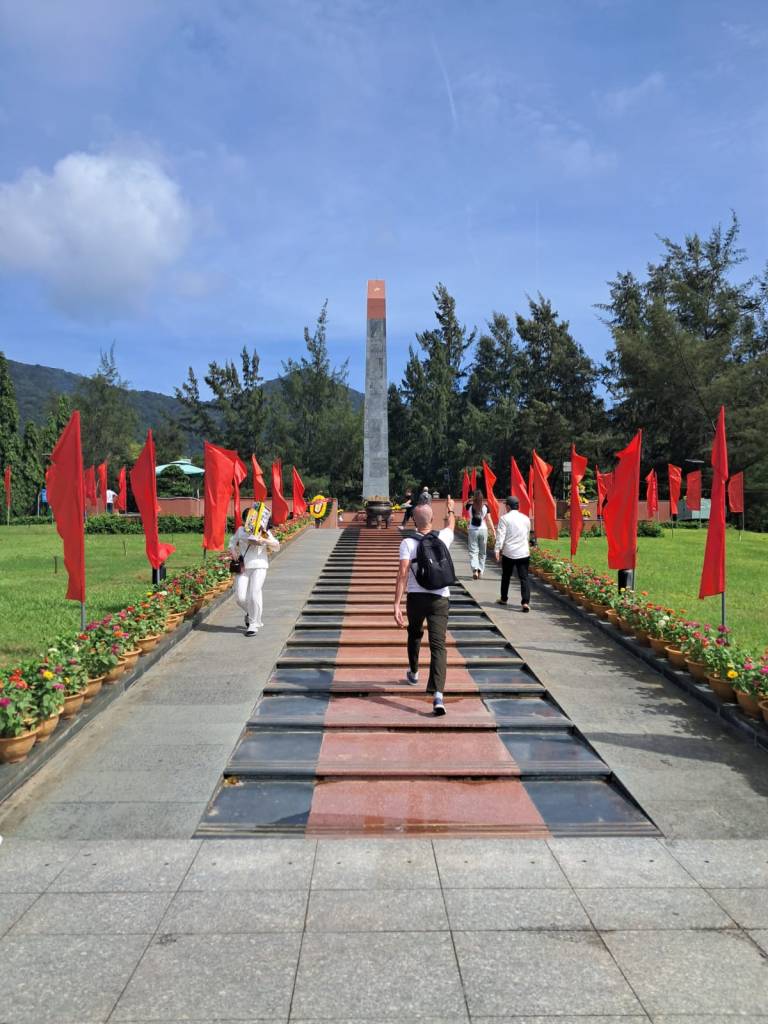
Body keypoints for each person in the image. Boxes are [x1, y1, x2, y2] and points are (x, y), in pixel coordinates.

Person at [394, 496, 456, 716]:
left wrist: (396, 604)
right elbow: (451, 524)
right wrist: (450, 509)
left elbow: (402, 574)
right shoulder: (444, 537)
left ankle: (413, 671)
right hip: (441, 598)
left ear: (413, 521)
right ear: (431, 520)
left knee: (414, 633)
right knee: (439, 646)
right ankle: (438, 695)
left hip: (416, 598)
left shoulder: (408, 543)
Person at [228, 506, 280, 636]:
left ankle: (253, 624)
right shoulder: (241, 530)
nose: (250, 521)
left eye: (253, 518)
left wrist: (264, 540)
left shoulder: (263, 531)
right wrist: (233, 551)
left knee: (254, 593)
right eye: (248, 518)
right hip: (244, 566)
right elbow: (232, 542)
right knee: (240, 597)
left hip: (260, 565)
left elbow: (276, 546)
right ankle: (251, 613)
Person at [494, 495, 531, 612]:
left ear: (508, 506)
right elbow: (527, 535)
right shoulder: (526, 518)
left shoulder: (504, 518)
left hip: (509, 552)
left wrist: (497, 549)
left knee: (506, 576)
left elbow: (501, 535)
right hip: (523, 552)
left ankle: (504, 599)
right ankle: (525, 602)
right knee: (524, 578)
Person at [465, 488, 495, 580]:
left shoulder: (469, 506)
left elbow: (464, 504)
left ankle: (474, 569)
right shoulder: (485, 507)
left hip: (473, 530)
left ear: (474, 498)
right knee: (482, 552)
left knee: (473, 551)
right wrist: (493, 530)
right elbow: (489, 520)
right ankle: (480, 570)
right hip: (483, 530)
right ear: (482, 498)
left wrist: (470, 499)